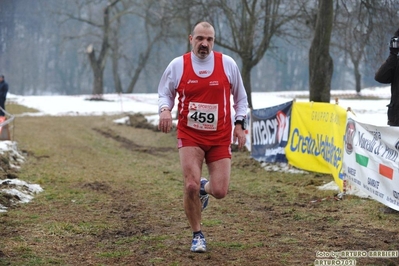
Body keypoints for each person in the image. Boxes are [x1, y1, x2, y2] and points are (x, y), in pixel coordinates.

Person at [157, 21, 248, 252]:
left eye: (209, 39)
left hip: (219, 137)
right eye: (200, 39)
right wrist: (165, 110)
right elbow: (164, 94)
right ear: (191, 39)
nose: (204, 44)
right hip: (190, 135)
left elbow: (241, 99)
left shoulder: (227, 64)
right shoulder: (178, 65)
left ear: (214, 41)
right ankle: (197, 234)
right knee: (189, 185)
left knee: (220, 191)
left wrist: (240, 124)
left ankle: (204, 188)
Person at [374, 28, 399, 214]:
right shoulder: (396, 60)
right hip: (396, 118)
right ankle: (393, 201)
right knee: (394, 162)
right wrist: (393, 55)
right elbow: (380, 77)